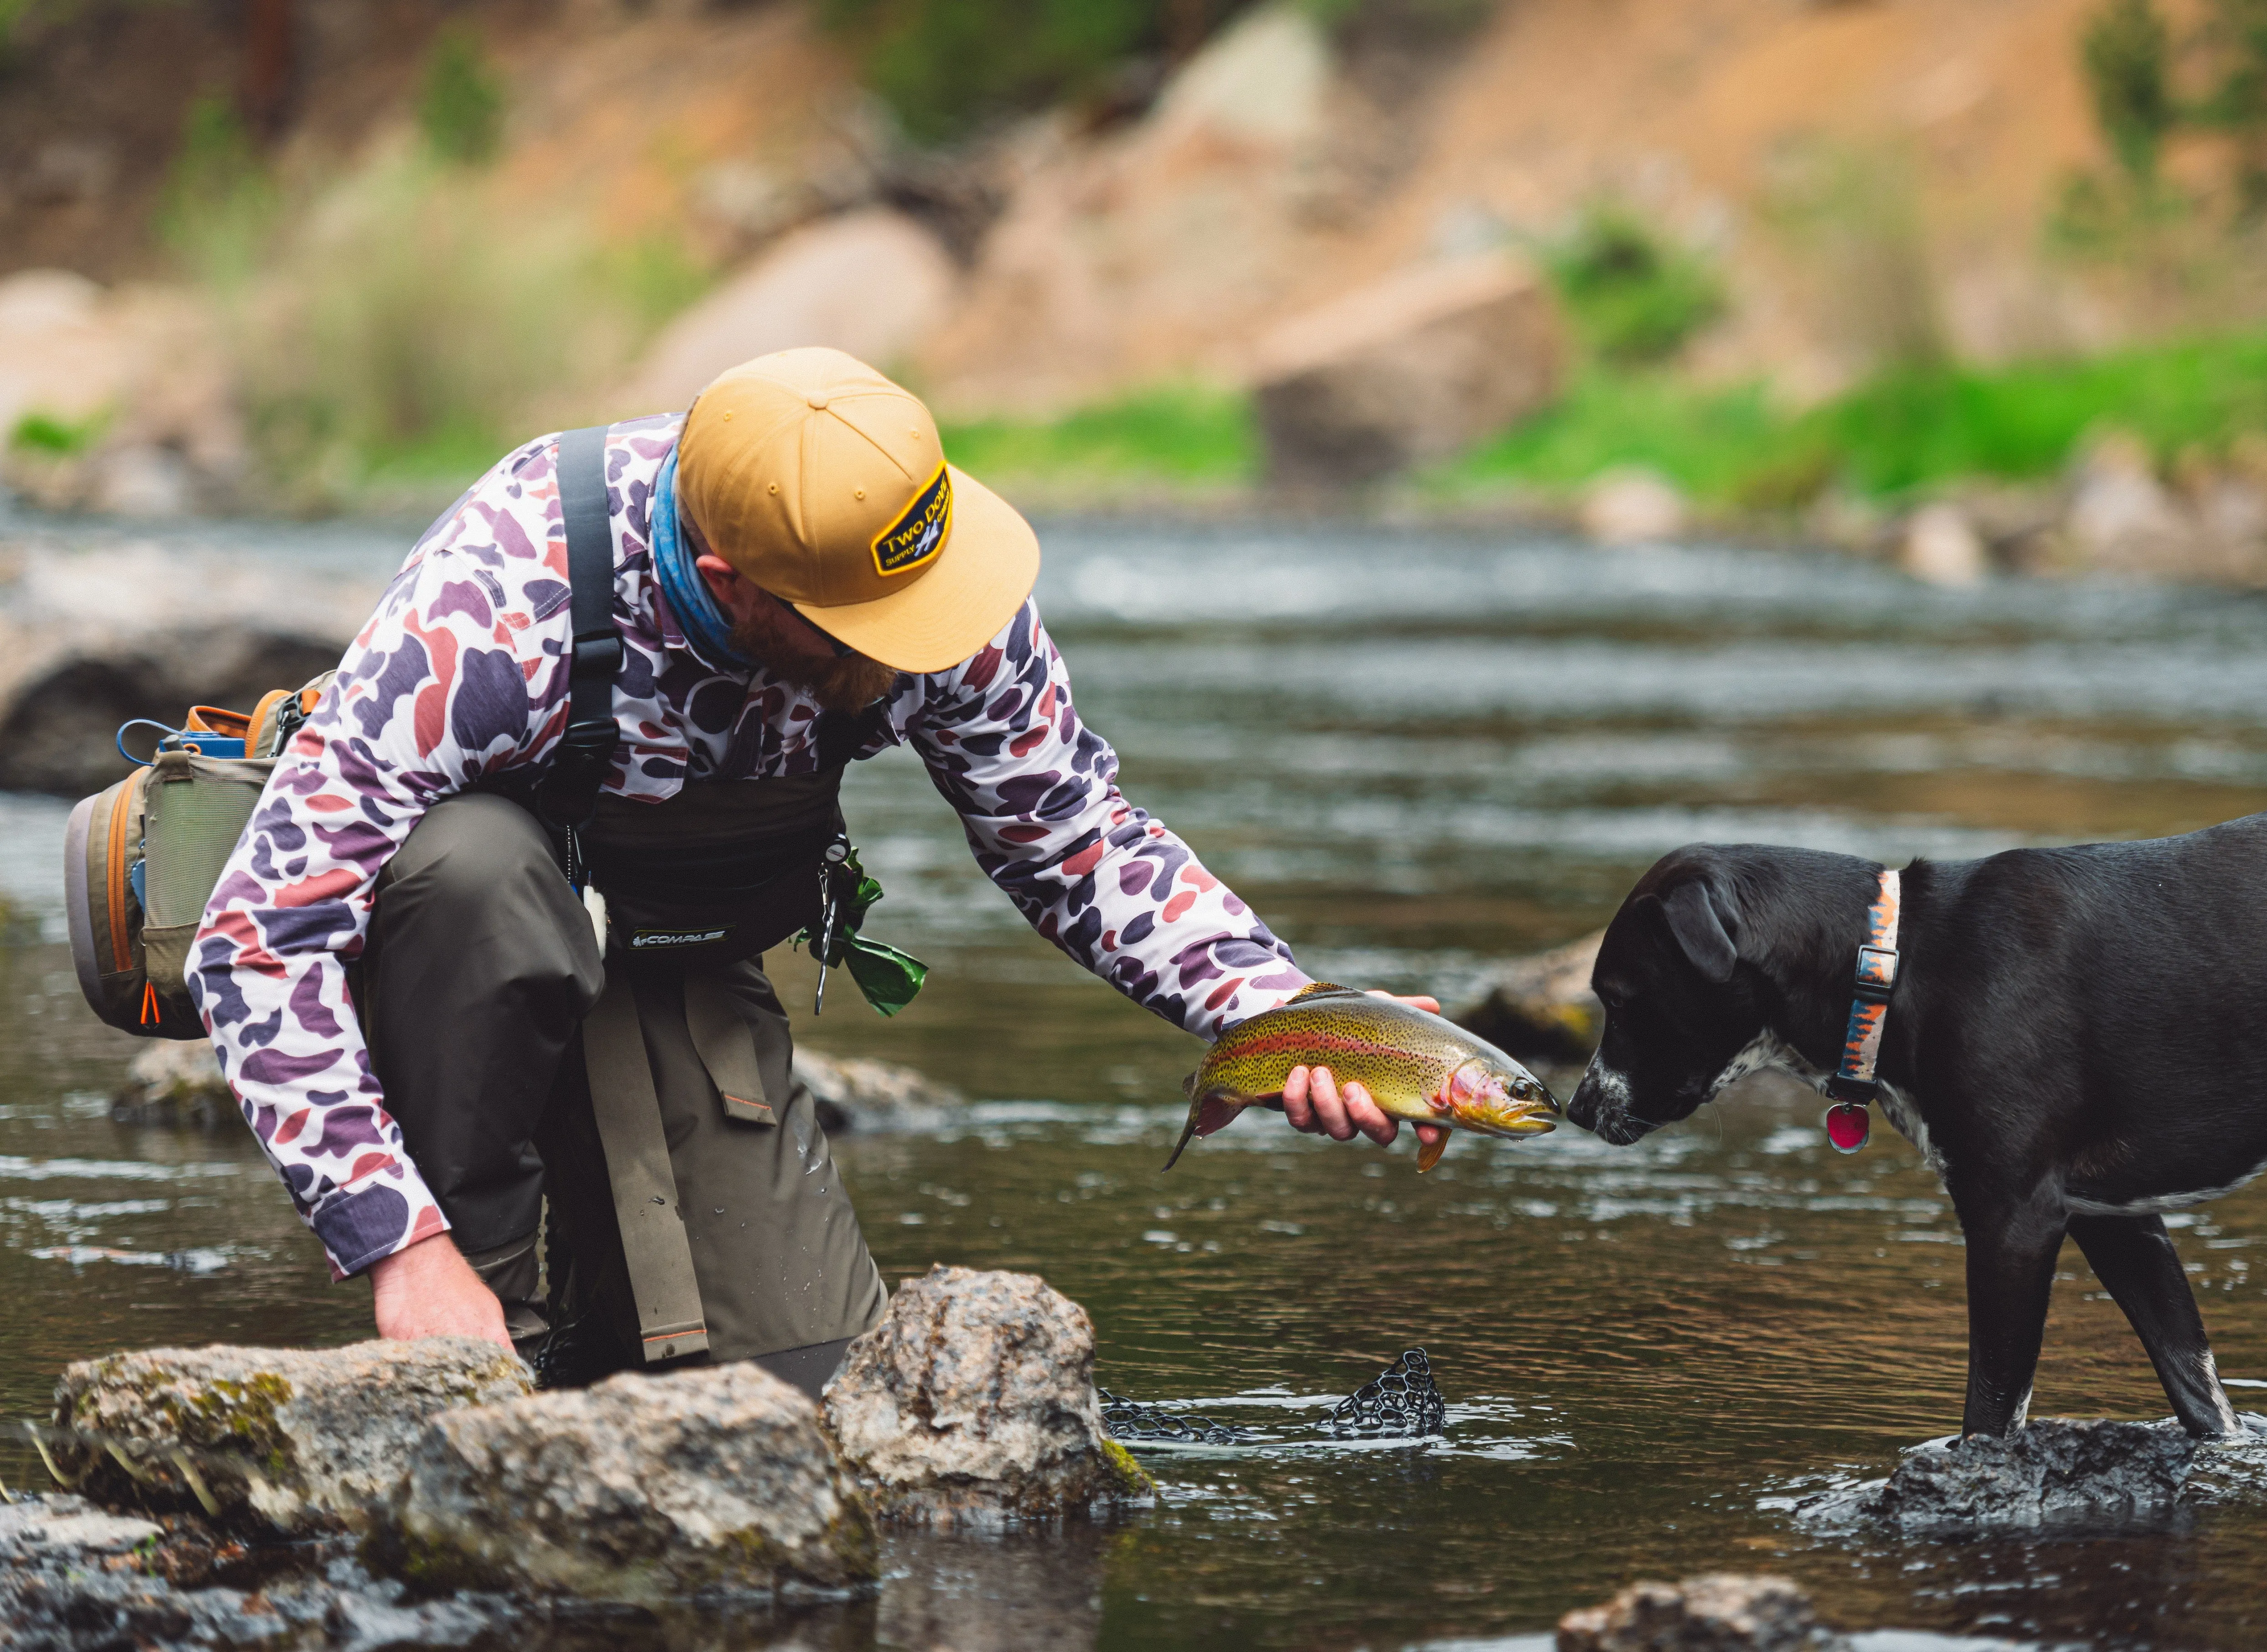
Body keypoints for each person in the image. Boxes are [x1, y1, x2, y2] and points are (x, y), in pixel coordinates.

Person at [189, 347, 1441, 1390]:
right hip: (449, 976)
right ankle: (468, 1328)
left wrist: (1282, 1012)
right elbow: (255, 936)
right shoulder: (500, 603)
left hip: (676, 965)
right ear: (733, 585)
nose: (929, 651)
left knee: (806, 1405)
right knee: (477, 875)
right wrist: (402, 1249)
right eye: (875, 637)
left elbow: (1070, 833)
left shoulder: (922, 565)